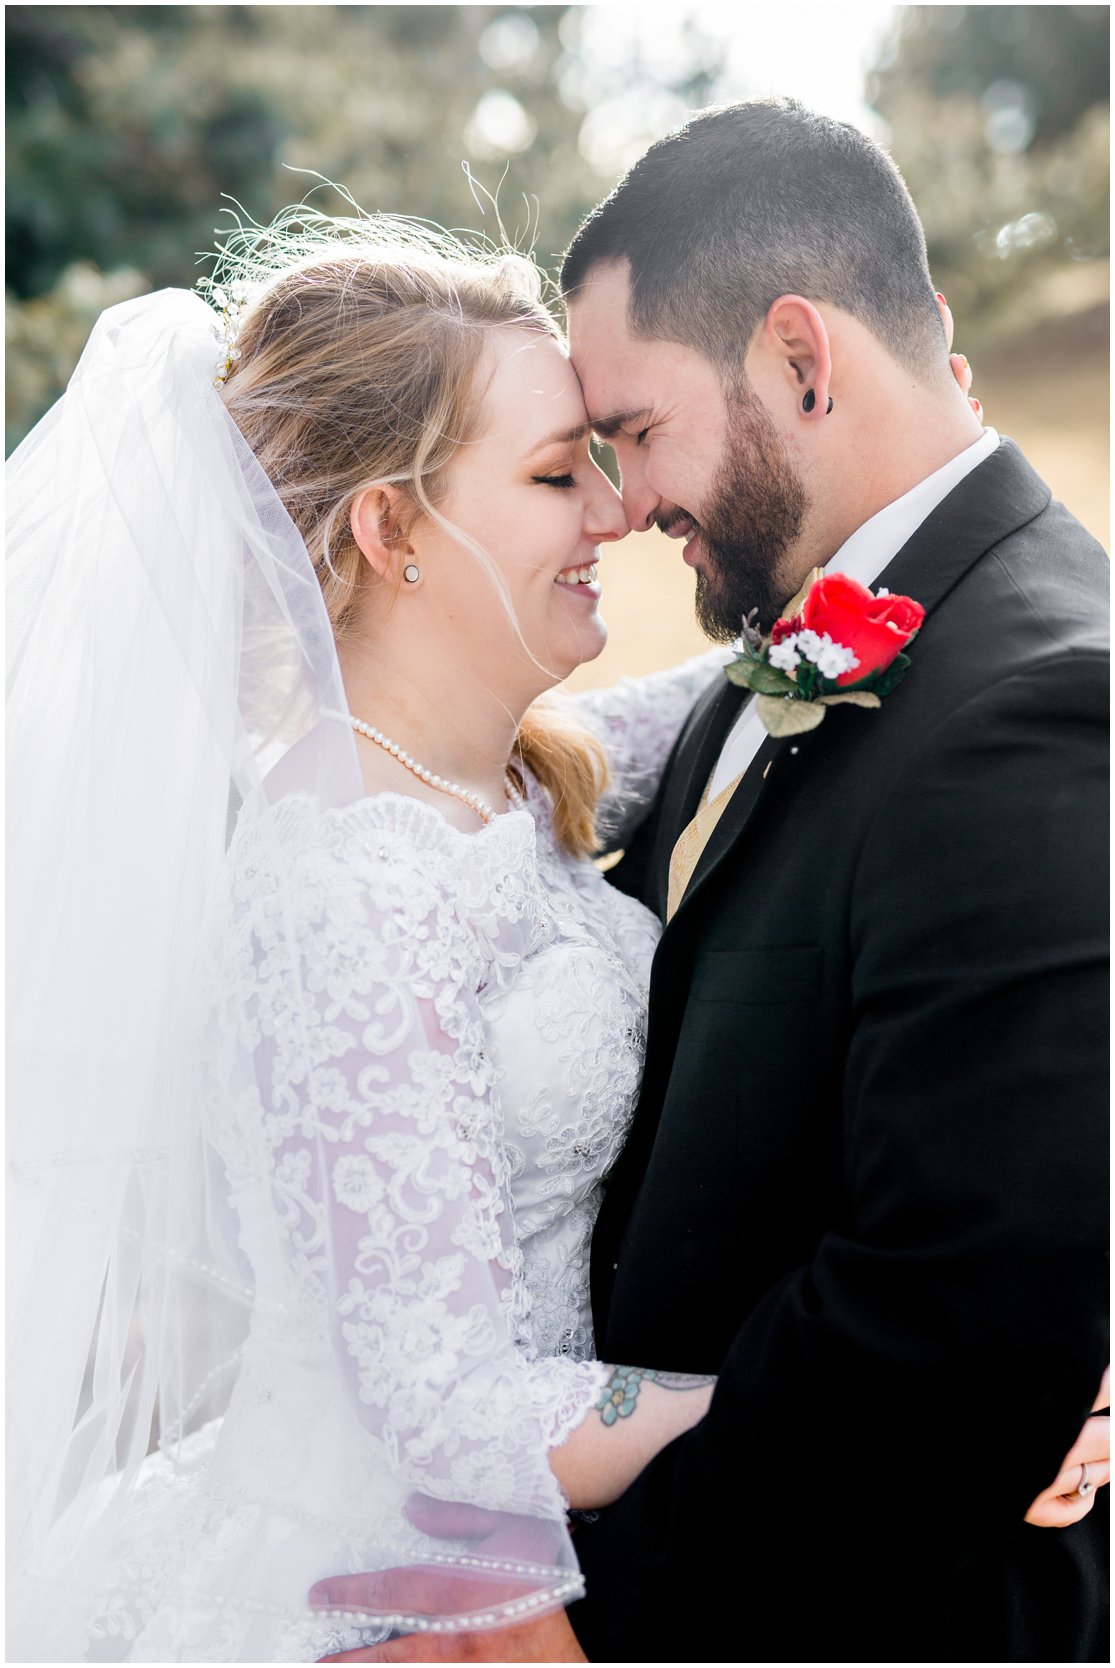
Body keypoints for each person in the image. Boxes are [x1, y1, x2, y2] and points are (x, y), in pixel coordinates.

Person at [332, 99, 1109, 1665]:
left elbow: (952, 1321)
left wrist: (590, 1627)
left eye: (630, 433)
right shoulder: (770, 665)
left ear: (802, 363)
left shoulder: (1036, 701)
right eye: (581, 459)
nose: (622, 506)